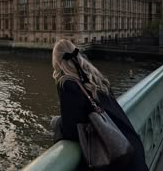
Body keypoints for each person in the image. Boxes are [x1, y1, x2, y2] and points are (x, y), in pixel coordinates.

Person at [52, 39, 148, 171]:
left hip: (116, 157)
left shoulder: (67, 83)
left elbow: (71, 131)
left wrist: (57, 123)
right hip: (130, 145)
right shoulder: (95, 76)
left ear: (57, 61)